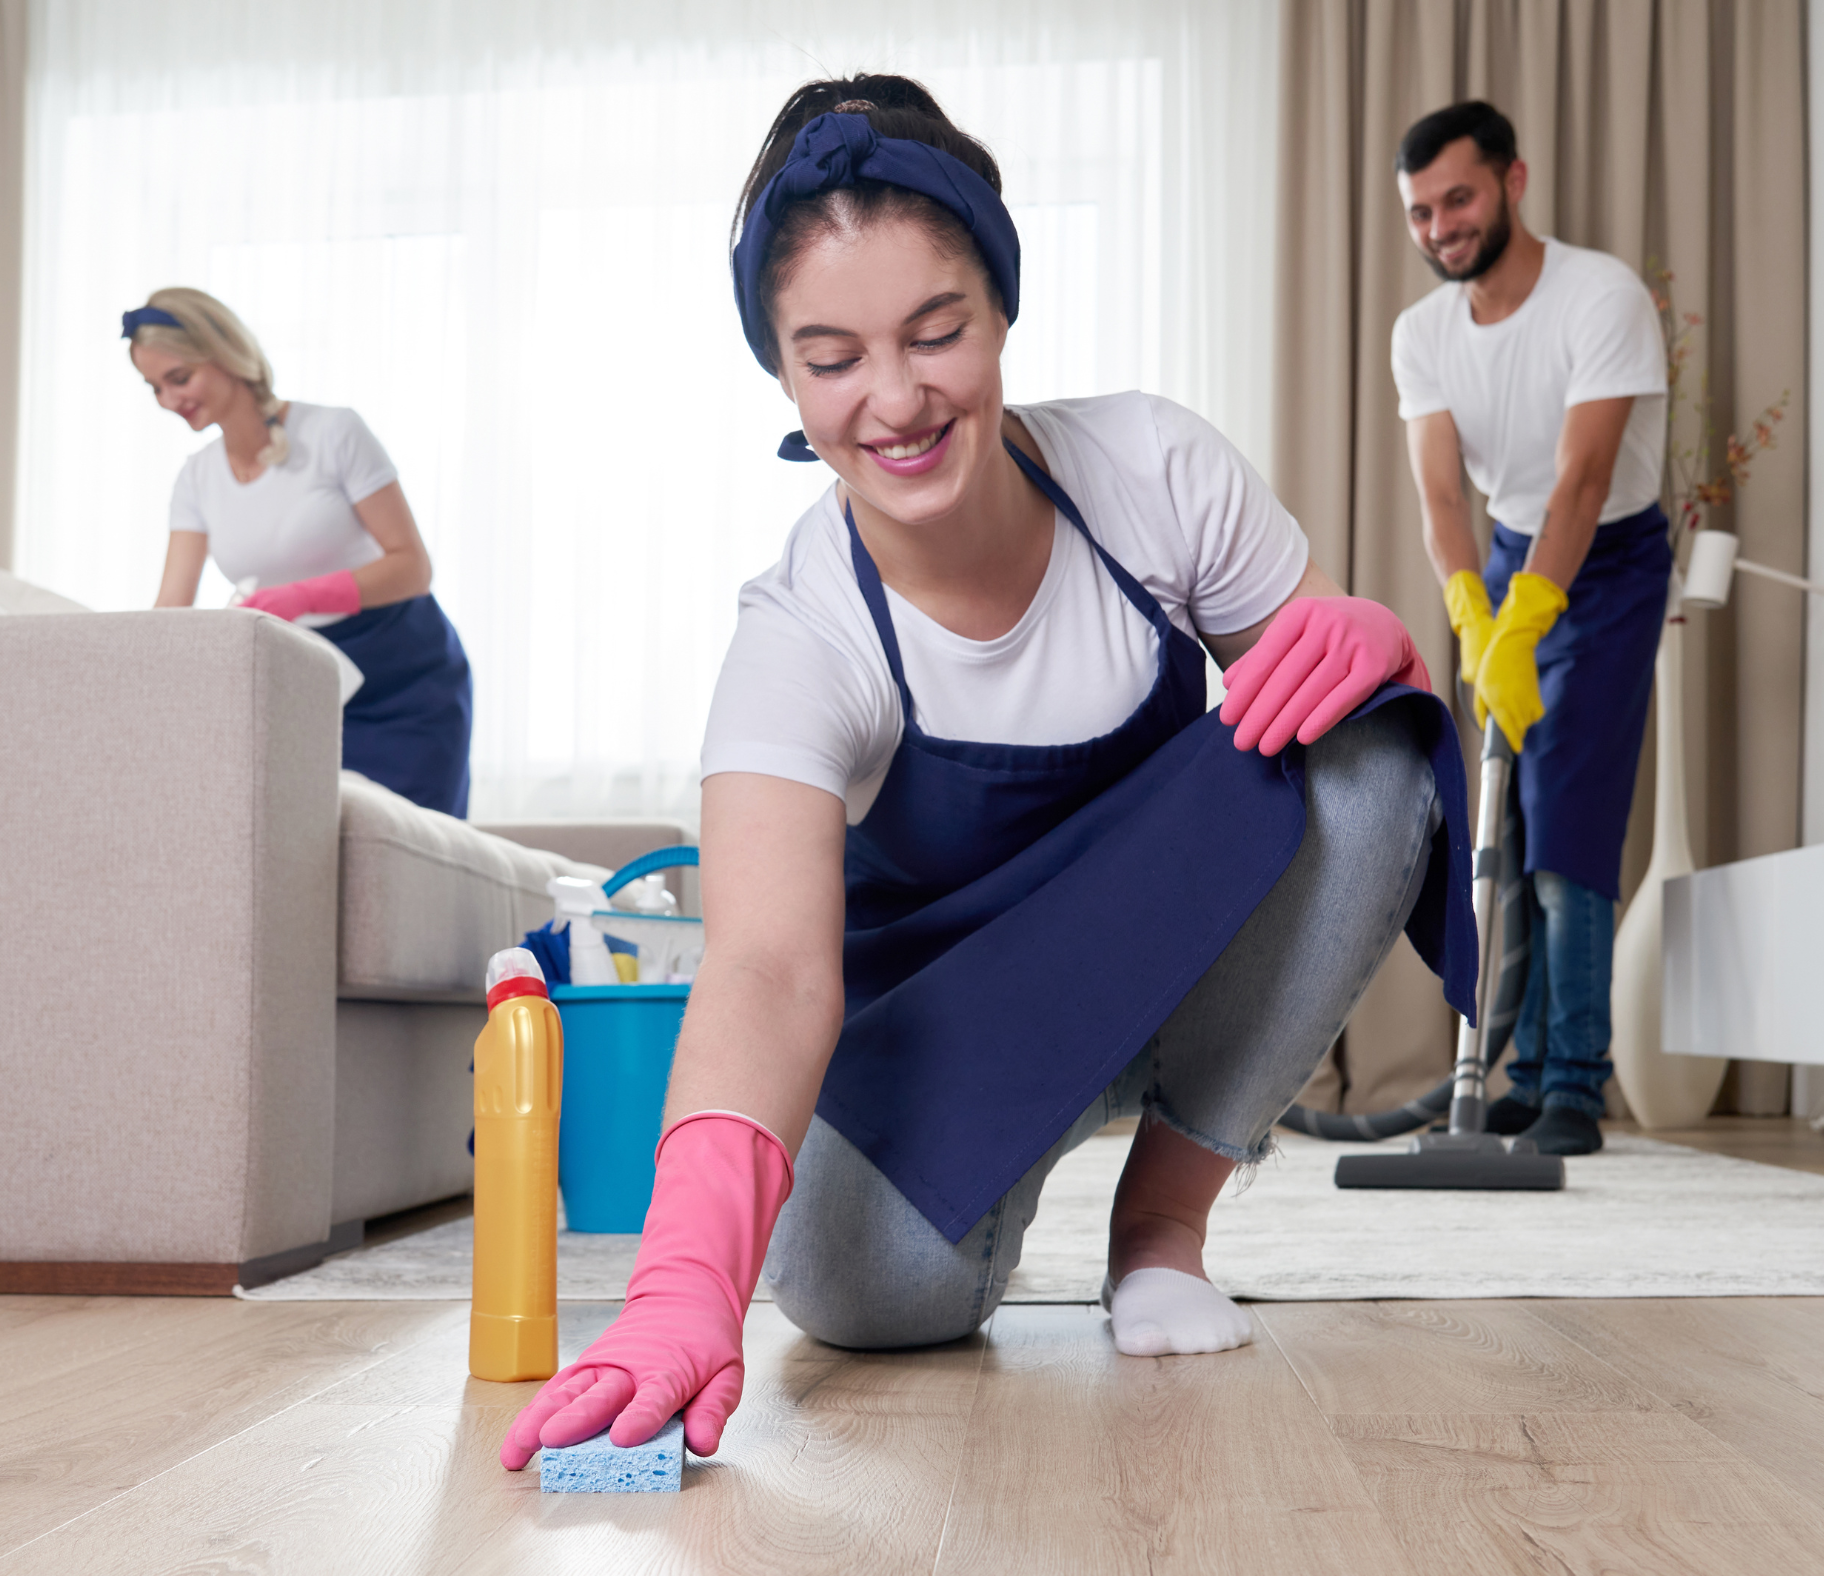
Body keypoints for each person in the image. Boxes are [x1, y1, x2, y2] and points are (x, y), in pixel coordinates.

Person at [500, 75, 1477, 1472]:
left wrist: (1380, 644)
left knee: (1380, 756)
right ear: (781, 371)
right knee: (859, 1295)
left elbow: (1336, 742)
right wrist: (681, 1289)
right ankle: (993, 1187)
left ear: (1001, 309)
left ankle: (1162, 1227)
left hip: (1174, 957)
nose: (894, 399)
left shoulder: (1150, 471)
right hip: (954, 1027)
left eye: (936, 332)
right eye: (831, 356)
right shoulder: (800, 634)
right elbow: (767, 969)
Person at [1392, 102, 1671, 1156]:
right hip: (1504, 561)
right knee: (1504, 829)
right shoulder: (1419, 334)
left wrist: (1531, 618)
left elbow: (1583, 479)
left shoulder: (1597, 296)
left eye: (1456, 199)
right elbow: (1439, 500)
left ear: (1512, 183)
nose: (1438, 227)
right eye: (1419, 211)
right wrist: (1474, 610)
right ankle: (1521, 1068)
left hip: (1604, 563)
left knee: (1568, 823)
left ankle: (1573, 1084)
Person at [126, 287, 474, 817]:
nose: (169, 401)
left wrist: (300, 596)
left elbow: (412, 567)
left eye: (179, 378)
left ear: (225, 355)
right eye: (154, 388)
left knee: (414, 856)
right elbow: (170, 607)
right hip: (310, 690)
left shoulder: (335, 433)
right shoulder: (196, 479)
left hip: (406, 679)